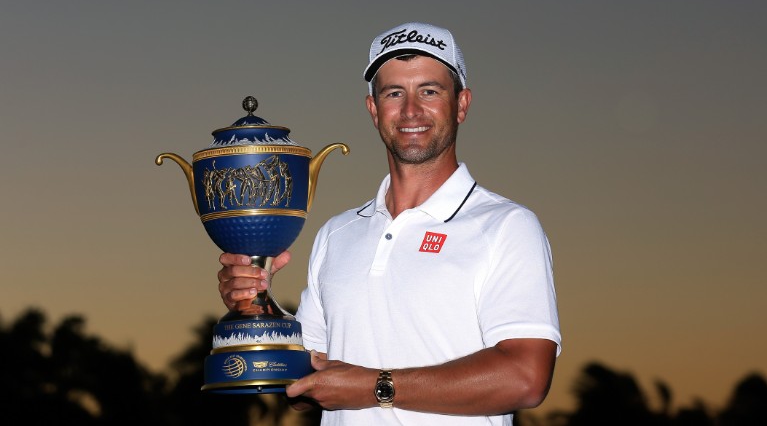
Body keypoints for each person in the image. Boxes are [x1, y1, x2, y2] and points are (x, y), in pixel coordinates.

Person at [217, 22, 561, 425]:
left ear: (462, 104)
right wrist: (256, 310)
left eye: (429, 91)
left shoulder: (507, 226)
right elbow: (307, 387)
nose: (411, 110)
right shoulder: (336, 234)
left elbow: (526, 377)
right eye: (394, 93)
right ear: (373, 110)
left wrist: (373, 387)